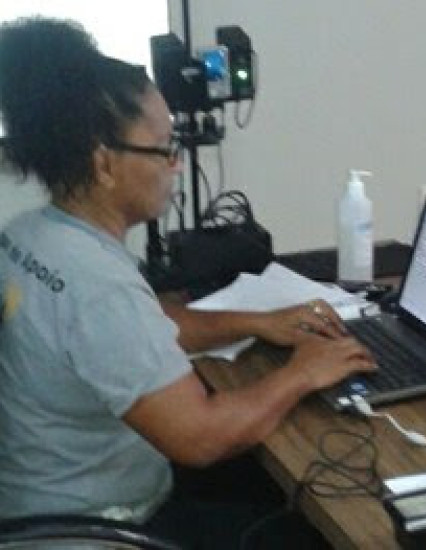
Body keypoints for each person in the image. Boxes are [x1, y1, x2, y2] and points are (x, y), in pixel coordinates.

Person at [0, 16, 375, 547]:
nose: (175, 166)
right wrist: (302, 373)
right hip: (102, 530)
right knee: (318, 528)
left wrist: (257, 323)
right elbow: (199, 437)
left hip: (41, 505)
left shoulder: (34, 235)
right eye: (163, 149)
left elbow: (139, 329)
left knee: (272, 487)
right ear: (104, 164)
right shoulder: (96, 284)